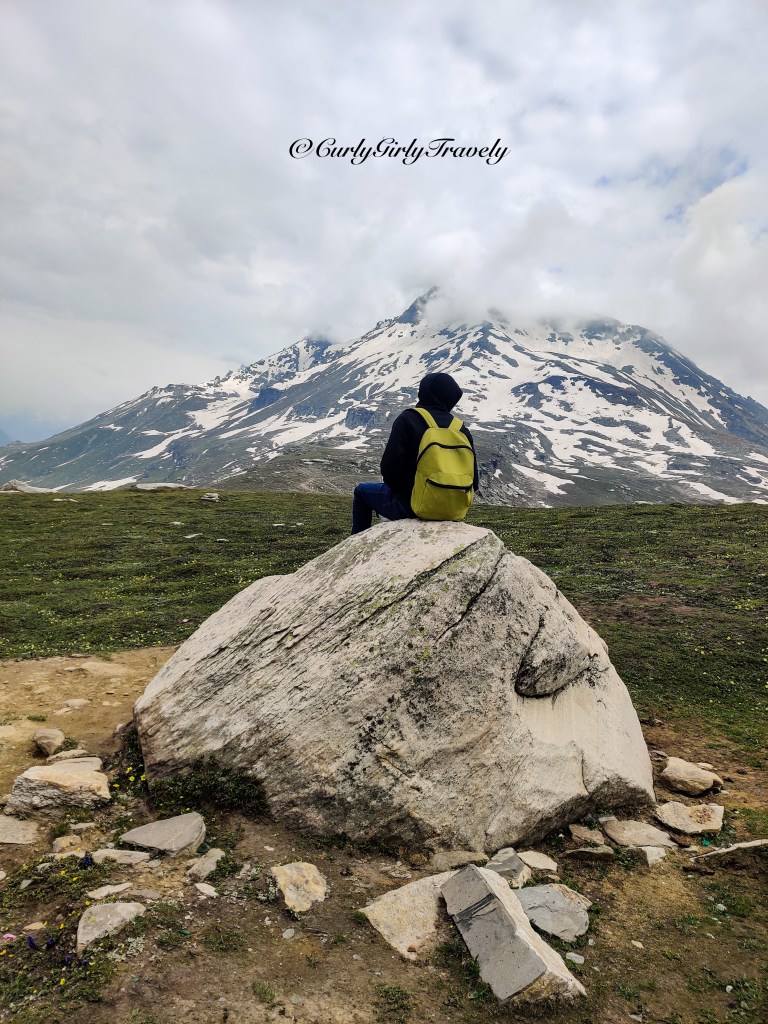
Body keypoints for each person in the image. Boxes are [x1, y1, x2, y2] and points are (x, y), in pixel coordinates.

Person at [351, 371, 479, 534]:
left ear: (424, 392)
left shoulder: (408, 419)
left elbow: (389, 470)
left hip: (410, 506)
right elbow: (474, 481)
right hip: (454, 510)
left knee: (361, 491)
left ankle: (357, 542)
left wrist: (407, 495)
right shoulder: (460, 429)